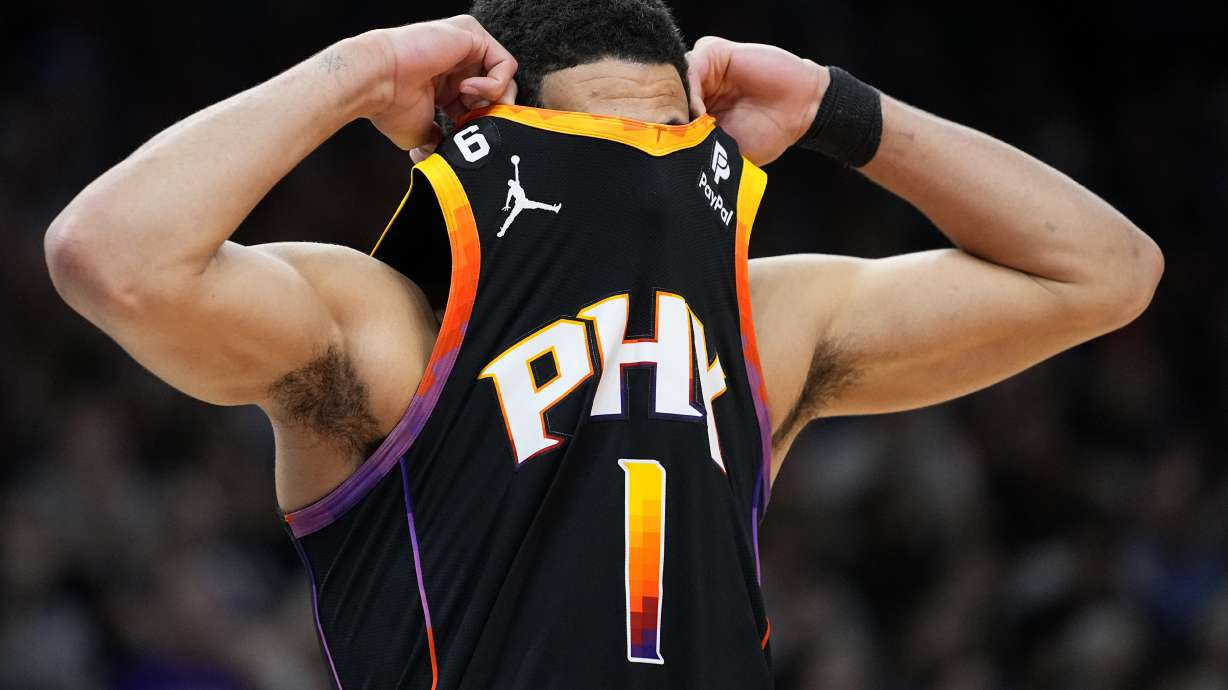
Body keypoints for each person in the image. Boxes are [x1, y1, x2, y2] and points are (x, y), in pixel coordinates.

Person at [42, 1, 1162, 688]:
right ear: (492, 142)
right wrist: (362, 71)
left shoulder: (764, 323)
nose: (640, 178)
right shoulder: (387, 327)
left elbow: (1108, 274)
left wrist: (837, 108)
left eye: (668, 139)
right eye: (600, 143)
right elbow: (110, 256)